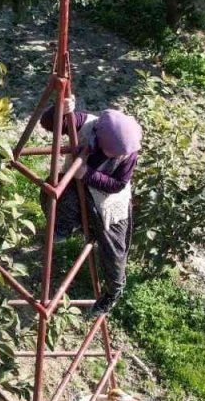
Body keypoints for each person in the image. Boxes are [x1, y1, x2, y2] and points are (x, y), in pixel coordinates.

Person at [38, 103, 141, 316]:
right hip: (78, 187)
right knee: (52, 189)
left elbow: (117, 185)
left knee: (114, 252)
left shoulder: (129, 152)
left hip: (109, 202)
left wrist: (87, 173)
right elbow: (48, 124)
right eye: (110, 151)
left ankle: (113, 292)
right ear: (100, 136)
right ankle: (66, 226)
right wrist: (60, 109)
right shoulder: (87, 124)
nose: (114, 156)